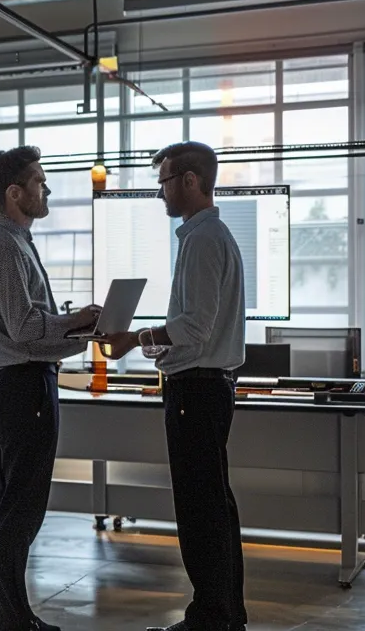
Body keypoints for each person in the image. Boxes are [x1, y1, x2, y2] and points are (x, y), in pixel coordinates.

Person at [101, 141, 249, 631]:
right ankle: (224, 615)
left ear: (190, 180)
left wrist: (136, 338)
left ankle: (209, 618)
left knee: (200, 510)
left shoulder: (203, 239)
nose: (160, 191)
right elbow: (196, 329)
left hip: (197, 392)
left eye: (163, 181)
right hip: (205, 385)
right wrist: (159, 347)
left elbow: (194, 327)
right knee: (214, 506)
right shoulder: (207, 235)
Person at [0, 146, 101, 631]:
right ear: (14, 193)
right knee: (20, 510)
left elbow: (24, 325)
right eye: (39, 182)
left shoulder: (14, 242)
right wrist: (76, 323)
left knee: (5, 507)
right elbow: (24, 328)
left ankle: (0, 620)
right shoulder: (6, 247)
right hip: (23, 386)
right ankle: (13, 621)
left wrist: (76, 330)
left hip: (14, 384)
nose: (47, 190)